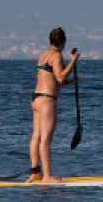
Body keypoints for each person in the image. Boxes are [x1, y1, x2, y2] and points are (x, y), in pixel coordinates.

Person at [30, 27, 79, 183]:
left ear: (50, 40)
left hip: (36, 99)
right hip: (47, 101)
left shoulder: (43, 55)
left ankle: (35, 173)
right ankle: (47, 176)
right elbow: (59, 77)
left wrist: (71, 82)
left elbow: (54, 79)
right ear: (63, 42)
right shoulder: (57, 56)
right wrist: (73, 61)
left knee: (36, 138)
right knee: (45, 140)